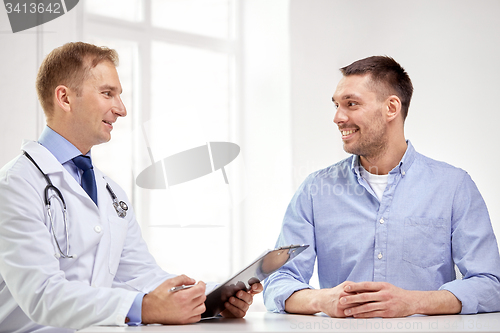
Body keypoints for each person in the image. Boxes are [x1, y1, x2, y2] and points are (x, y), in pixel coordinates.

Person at [0, 42, 262, 333]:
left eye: (119, 96)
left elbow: (142, 276)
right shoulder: (16, 184)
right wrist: (145, 307)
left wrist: (211, 299)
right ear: (64, 98)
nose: (121, 110)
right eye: (107, 93)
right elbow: (41, 294)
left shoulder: (111, 192)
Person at [263, 56, 500, 318]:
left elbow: (491, 284)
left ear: (391, 108)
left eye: (351, 104)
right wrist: (322, 299)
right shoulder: (314, 190)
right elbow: (278, 281)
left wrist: (415, 302)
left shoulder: (454, 187)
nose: (338, 117)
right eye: (336, 105)